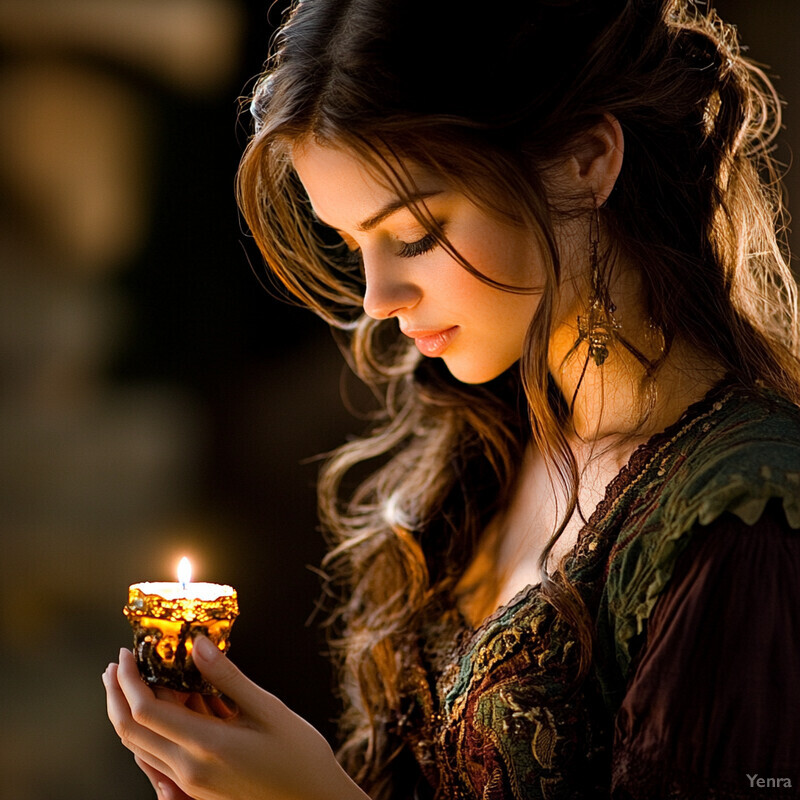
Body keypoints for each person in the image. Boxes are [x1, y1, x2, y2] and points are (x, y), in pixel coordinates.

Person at [102, 0, 800, 797]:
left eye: (415, 234)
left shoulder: (747, 522)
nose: (377, 297)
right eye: (353, 243)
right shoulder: (494, 442)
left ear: (586, 161)